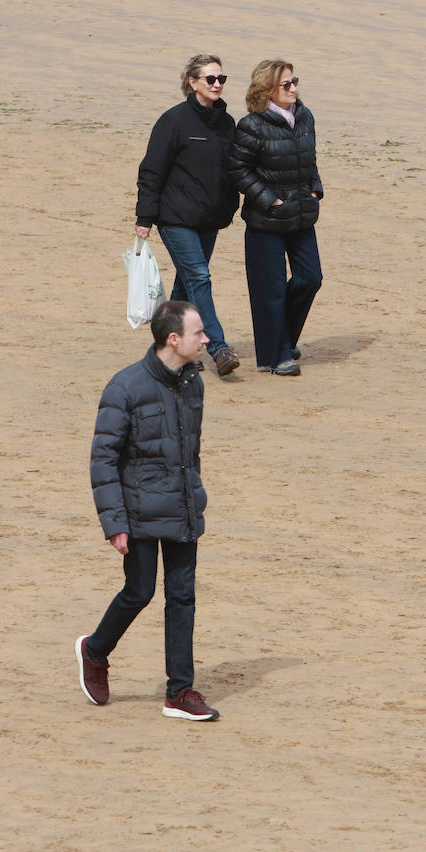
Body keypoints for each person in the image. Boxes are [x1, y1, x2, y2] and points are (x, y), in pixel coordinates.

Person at [77, 301, 220, 721]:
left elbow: (190, 452)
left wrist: (194, 497)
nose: (206, 339)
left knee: (183, 595)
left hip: (182, 507)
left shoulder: (193, 382)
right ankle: (95, 650)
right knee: (139, 591)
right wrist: (114, 523)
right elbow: (103, 460)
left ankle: (180, 692)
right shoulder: (125, 387)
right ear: (173, 339)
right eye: (198, 333)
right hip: (137, 511)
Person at [134, 53, 241, 377]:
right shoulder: (174, 120)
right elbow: (152, 170)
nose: (217, 84)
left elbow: (234, 169)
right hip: (175, 218)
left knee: (186, 285)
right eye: (210, 79)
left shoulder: (227, 123)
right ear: (192, 83)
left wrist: (231, 205)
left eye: (221, 79)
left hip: (210, 219)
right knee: (199, 277)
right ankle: (218, 347)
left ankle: (168, 350)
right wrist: (145, 218)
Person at [228, 59, 323, 377]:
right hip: (266, 220)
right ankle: (278, 356)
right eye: (286, 84)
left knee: (310, 278)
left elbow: (309, 159)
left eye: (295, 81)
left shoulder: (305, 116)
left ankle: (282, 339)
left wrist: (315, 189)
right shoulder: (251, 125)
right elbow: (238, 170)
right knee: (270, 290)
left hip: (302, 214)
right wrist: (271, 200)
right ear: (267, 89)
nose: (293, 88)